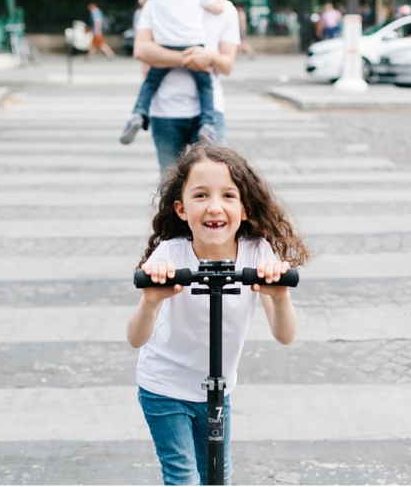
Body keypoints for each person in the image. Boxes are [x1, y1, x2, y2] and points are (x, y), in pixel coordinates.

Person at [127, 142, 310, 485]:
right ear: (181, 209)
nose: (214, 207)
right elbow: (135, 338)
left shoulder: (258, 253)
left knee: (218, 477)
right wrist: (151, 300)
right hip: (164, 387)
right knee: (182, 478)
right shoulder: (168, 255)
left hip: (218, 390)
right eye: (201, 196)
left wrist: (279, 295)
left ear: (244, 210)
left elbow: (285, 335)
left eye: (228, 195)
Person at [133, 0, 240, 173]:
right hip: (166, 110)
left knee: (215, 179)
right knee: (170, 186)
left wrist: (208, 56)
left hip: (210, 110)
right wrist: (188, 58)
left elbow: (227, 65)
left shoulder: (226, 10)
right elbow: (140, 50)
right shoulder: (158, 2)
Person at [120, 0, 229, 146]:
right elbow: (218, 7)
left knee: (150, 82)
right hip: (193, 45)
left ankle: (138, 113)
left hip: (165, 45)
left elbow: (141, 0)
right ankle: (207, 124)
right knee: (205, 86)